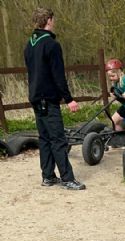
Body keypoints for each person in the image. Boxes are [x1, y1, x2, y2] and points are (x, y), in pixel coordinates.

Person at [24, 7, 85, 190]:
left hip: (35, 97)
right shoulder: (51, 45)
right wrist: (69, 99)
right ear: (49, 20)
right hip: (48, 99)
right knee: (58, 139)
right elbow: (58, 75)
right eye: (53, 19)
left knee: (44, 138)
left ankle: (48, 176)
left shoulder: (29, 45)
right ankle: (67, 178)